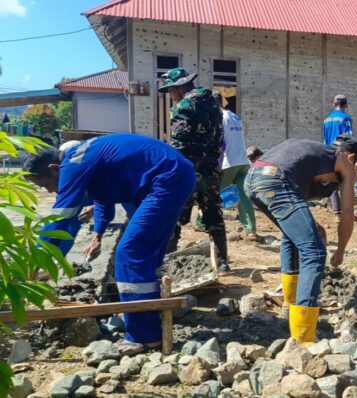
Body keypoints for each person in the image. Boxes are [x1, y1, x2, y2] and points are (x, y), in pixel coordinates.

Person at [24, 134, 195, 355]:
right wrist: (55, 260)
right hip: (166, 178)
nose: (49, 191)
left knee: (130, 252)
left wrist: (35, 260)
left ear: (55, 167)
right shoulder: (85, 161)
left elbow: (60, 218)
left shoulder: (74, 164)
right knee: (145, 253)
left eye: (46, 184)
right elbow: (85, 214)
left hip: (165, 179)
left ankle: (143, 335)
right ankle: (151, 313)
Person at [245, 136, 357, 344]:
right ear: (351, 157)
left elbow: (295, 203)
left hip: (253, 179)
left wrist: (316, 228)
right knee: (314, 252)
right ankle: (304, 337)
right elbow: (348, 213)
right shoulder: (345, 163)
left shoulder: (315, 156)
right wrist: (340, 251)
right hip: (276, 181)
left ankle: (290, 305)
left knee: (292, 237)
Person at [159, 67, 229, 272]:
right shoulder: (214, 105)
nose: (170, 96)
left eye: (171, 91)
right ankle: (222, 262)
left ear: (179, 87)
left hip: (189, 170)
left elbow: (179, 145)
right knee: (214, 215)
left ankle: (168, 260)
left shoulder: (183, 107)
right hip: (212, 168)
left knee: (174, 214)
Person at [195, 92, 260, 240]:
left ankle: (200, 222)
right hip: (243, 162)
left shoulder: (219, 118)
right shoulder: (234, 116)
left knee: (209, 194)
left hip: (228, 163)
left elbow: (218, 143)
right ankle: (250, 229)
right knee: (244, 197)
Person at [323, 95, 355, 216]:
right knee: (346, 180)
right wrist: (353, 156)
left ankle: (337, 212)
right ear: (346, 105)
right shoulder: (345, 118)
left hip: (329, 152)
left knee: (333, 180)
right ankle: (347, 209)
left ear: (333, 104)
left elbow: (325, 140)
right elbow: (349, 138)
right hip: (342, 152)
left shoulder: (326, 120)